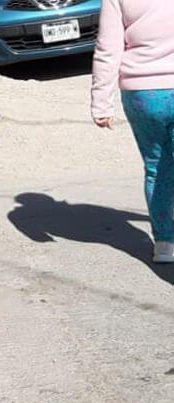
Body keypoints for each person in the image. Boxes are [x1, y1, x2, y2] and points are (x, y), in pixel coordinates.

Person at [91, 0, 174, 262]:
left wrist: (101, 102)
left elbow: (108, 48)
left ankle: (164, 244)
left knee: (156, 166)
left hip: (142, 93)